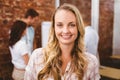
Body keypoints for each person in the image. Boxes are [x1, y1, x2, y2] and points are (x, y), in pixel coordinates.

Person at [24, 3, 100, 80]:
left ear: (78, 28)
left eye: (72, 25)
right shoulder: (37, 56)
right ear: (54, 28)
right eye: (60, 25)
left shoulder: (91, 62)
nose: (65, 31)